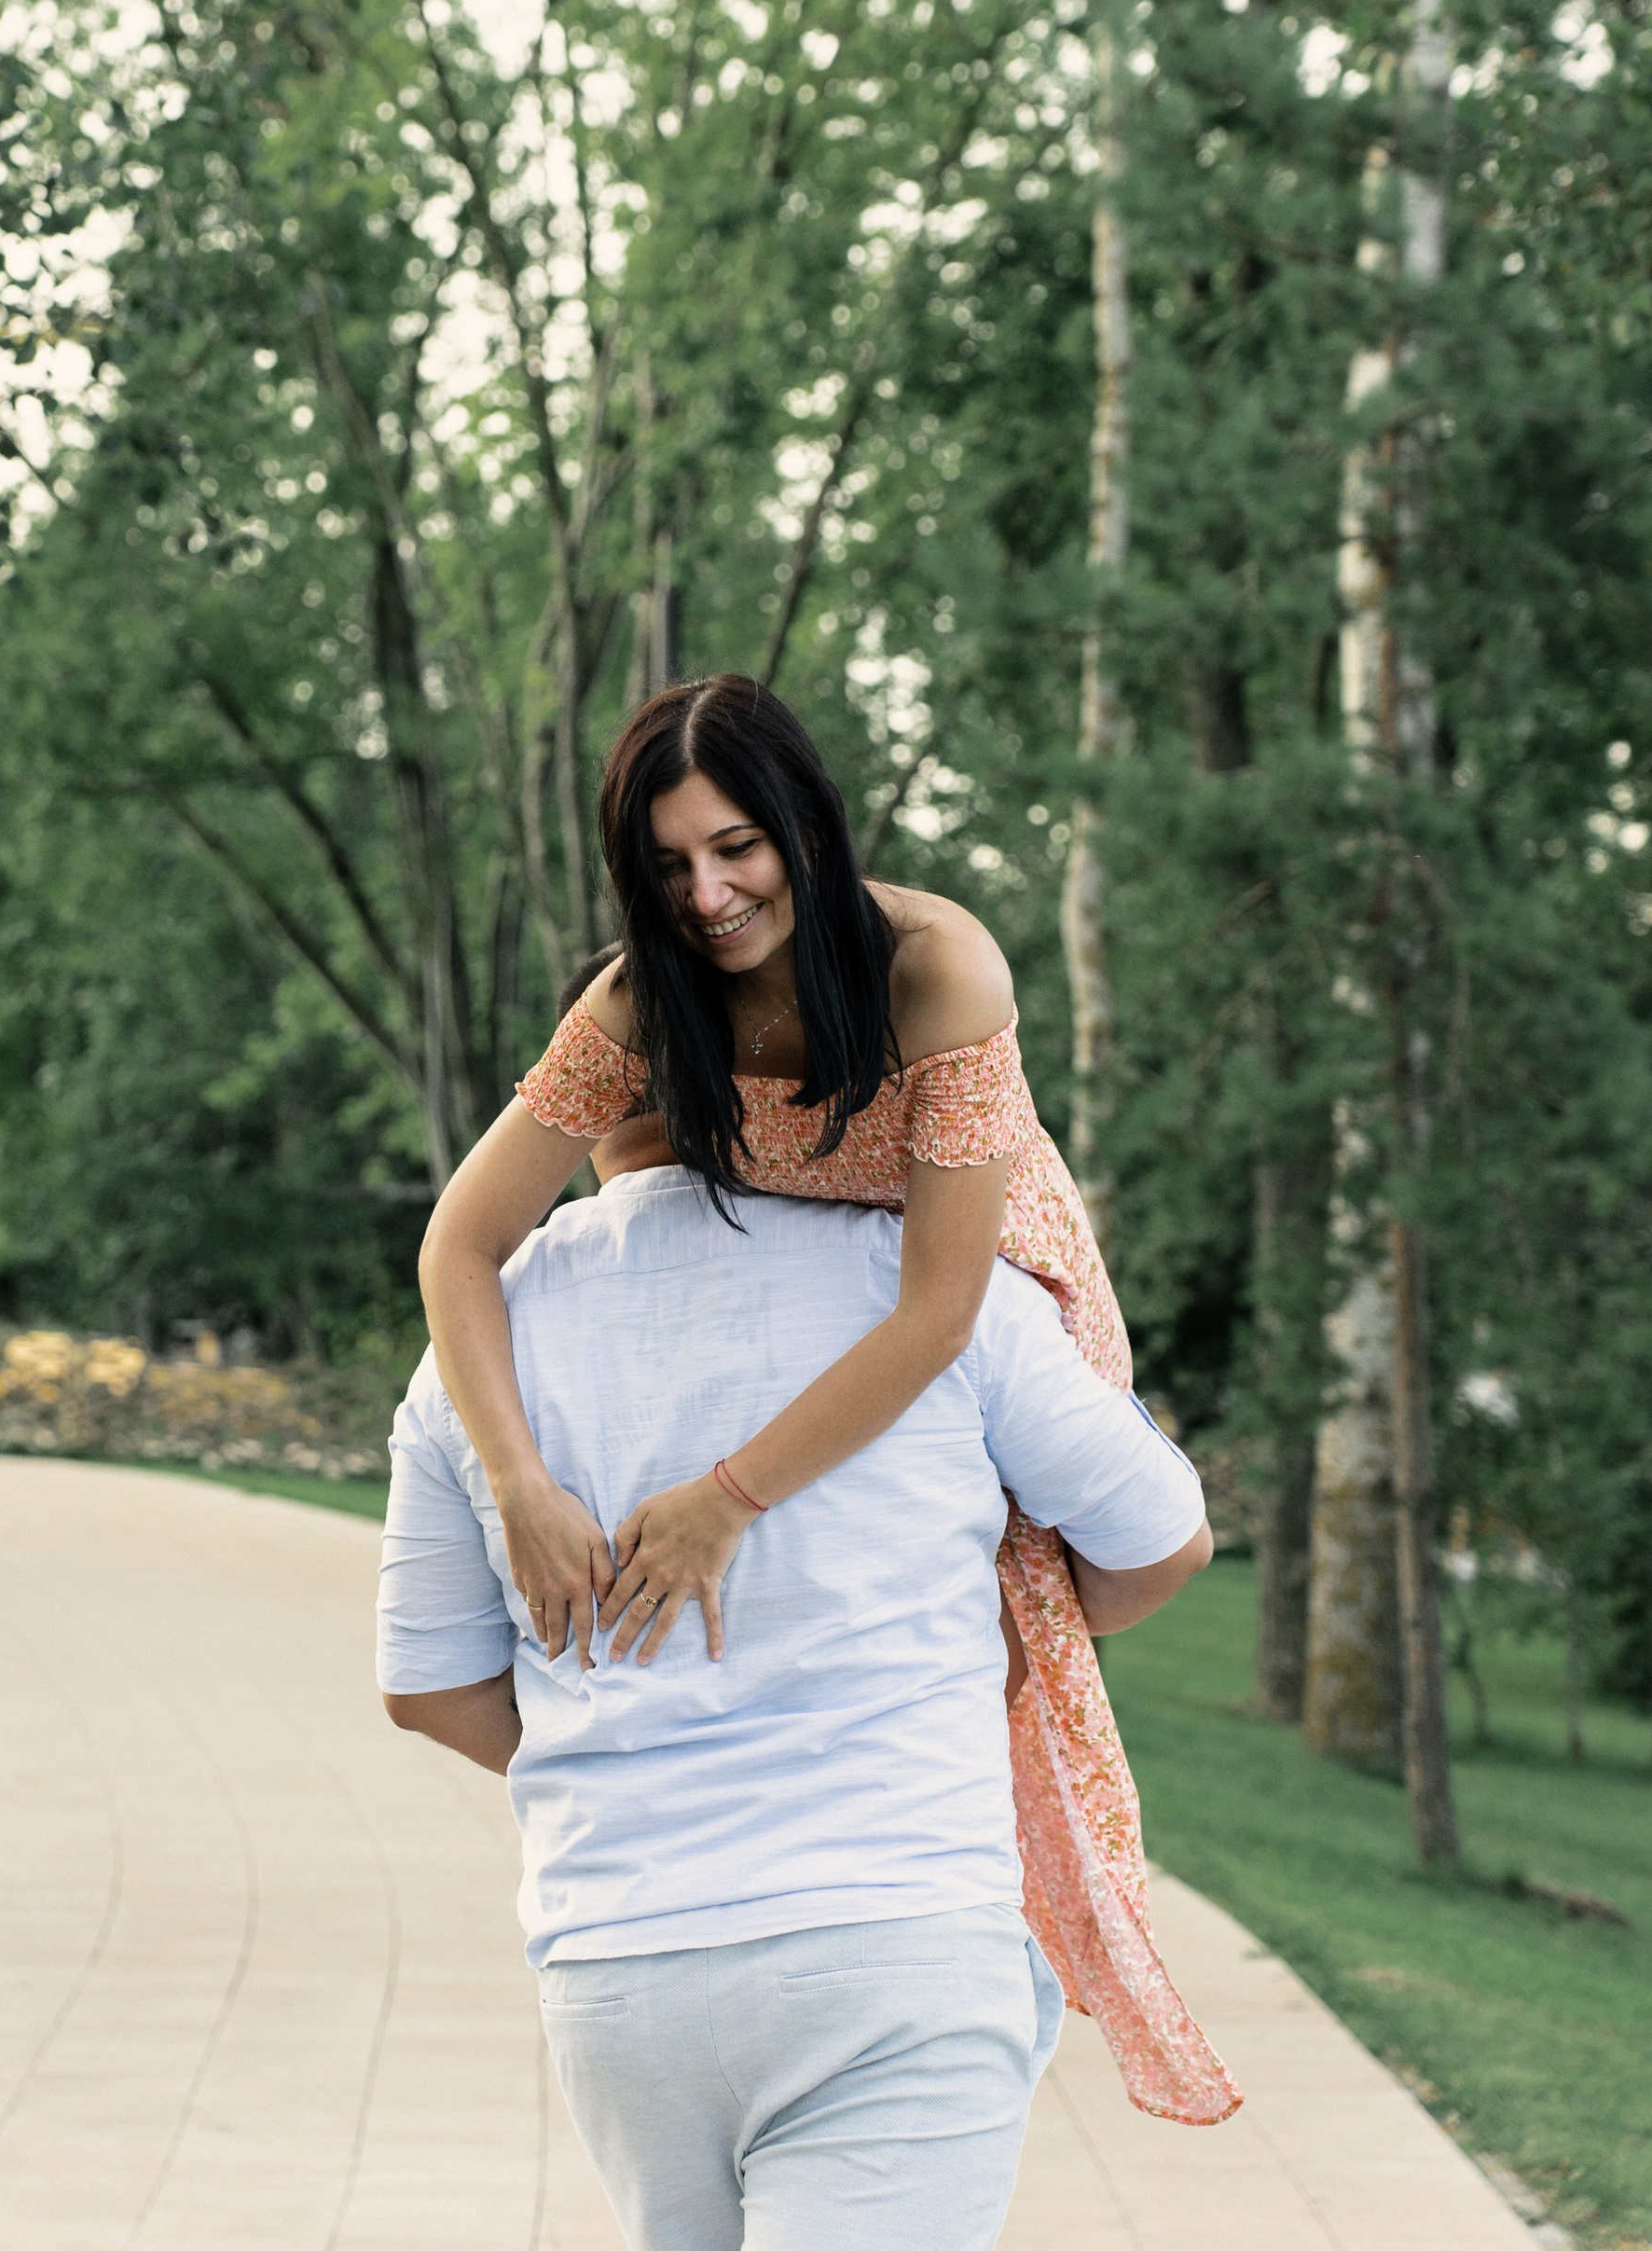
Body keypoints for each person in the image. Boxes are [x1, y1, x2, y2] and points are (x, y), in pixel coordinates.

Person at [417, 671, 1238, 2128]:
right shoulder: (635, 998)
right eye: (669, 865)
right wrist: (519, 1484)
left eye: (737, 846)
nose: (712, 893)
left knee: (1024, 1608)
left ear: (802, 820)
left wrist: (725, 1501)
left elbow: (936, 1306)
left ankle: (972, 1957)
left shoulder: (936, 964)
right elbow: (459, 1243)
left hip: (971, 1265)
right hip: (782, 1237)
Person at [379, 1163, 1213, 2251]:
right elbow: (1160, 1542)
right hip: (891, 1938)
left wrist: (640, 1748)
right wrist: (979, 1645)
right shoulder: (938, 1296)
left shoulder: (482, 1342)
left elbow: (428, 1683)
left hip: (622, 1966)